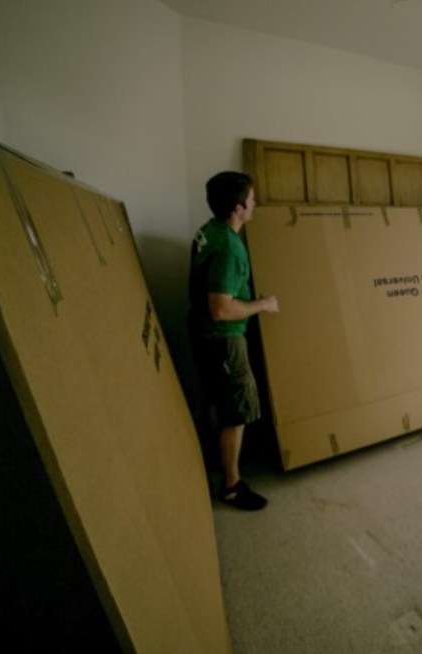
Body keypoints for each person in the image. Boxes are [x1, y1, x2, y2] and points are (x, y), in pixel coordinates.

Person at [189, 171, 278, 510]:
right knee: (235, 413)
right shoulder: (229, 248)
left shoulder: (208, 231)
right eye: (252, 199)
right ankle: (231, 485)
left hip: (204, 337)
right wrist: (263, 305)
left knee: (217, 405)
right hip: (223, 340)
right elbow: (221, 309)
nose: (255, 203)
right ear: (239, 207)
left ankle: (220, 467)